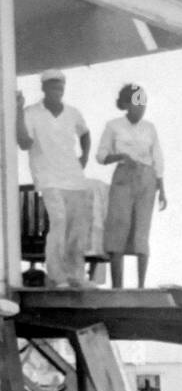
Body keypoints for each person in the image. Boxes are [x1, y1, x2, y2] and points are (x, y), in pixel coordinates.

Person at [16, 70, 91, 290]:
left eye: (60, 87)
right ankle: (58, 277)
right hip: (48, 176)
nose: (57, 91)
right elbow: (24, 143)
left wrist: (84, 156)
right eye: (53, 87)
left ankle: (77, 275)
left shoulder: (73, 113)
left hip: (74, 177)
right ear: (44, 88)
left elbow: (85, 133)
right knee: (59, 222)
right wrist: (18, 111)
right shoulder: (31, 112)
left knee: (77, 228)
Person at [96, 85, 166, 289]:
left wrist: (162, 187)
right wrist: (120, 156)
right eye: (136, 103)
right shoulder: (113, 126)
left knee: (142, 229)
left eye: (143, 104)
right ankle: (117, 286)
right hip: (124, 175)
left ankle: (141, 285)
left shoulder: (150, 128)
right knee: (119, 227)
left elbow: (157, 157)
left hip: (147, 178)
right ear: (126, 104)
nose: (141, 108)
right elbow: (101, 155)